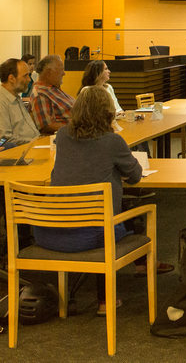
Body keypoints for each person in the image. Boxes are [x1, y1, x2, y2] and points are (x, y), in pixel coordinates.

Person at [32, 86, 156, 315]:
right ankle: (105, 301)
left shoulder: (63, 136)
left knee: (103, 215)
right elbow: (136, 177)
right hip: (91, 236)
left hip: (48, 230)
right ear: (108, 113)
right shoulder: (113, 142)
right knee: (112, 218)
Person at [0, 58, 40, 144]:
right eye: (25, 76)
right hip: (19, 152)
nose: (29, 79)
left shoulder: (15, 98)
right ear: (12, 78)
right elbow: (3, 140)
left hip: (32, 147)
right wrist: (35, 142)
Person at [30, 54, 74, 134]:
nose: (64, 73)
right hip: (70, 136)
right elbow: (46, 126)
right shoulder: (40, 94)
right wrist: (77, 127)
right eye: (61, 70)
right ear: (49, 72)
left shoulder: (53, 88)